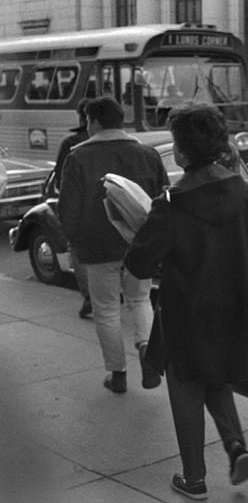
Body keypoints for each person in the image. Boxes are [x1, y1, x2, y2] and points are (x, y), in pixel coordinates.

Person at [125, 104, 248, 500]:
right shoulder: (243, 191)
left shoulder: (173, 203)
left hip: (187, 312)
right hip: (235, 309)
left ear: (182, 153)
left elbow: (138, 264)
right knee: (216, 377)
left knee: (186, 387)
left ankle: (194, 478)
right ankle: (236, 445)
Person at [59, 96, 169, 394]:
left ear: (93, 121)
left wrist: (73, 240)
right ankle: (147, 349)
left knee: (106, 309)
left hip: (97, 248)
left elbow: (67, 209)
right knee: (140, 300)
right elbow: (161, 201)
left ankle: (117, 374)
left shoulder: (78, 157)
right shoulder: (148, 154)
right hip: (139, 245)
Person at [53, 97, 92, 319]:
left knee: (79, 253)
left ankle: (89, 296)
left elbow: (60, 182)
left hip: (83, 212)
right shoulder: (130, 144)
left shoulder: (71, 144)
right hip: (116, 210)